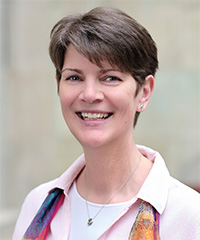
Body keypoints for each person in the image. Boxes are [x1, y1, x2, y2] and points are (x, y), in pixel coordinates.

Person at [12, 7, 200, 240]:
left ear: (144, 92)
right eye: (74, 77)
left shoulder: (189, 216)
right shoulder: (37, 205)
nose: (89, 94)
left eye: (110, 78)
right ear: (58, 85)